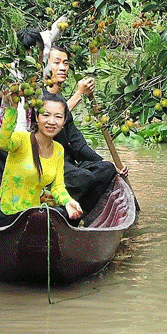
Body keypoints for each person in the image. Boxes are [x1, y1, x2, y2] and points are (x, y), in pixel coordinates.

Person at [42, 44, 128, 215]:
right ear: (44, 67)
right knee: (84, 178)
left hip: (66, 163)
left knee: (106, 169)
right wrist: (79, 94)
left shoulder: (60, 99)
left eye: (65, 63)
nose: (62, 68)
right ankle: (59, 208)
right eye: (57, 62)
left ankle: (82, 212)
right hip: (46, 162)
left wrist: (103, 161)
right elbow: (52, 119)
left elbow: (77, 143)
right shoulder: (38, 97)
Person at [0, 91, 83, 228]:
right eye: (46, 115)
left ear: (64, 121)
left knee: (63, 213)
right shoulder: (21, 139)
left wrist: (68, 201)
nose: (52, 122)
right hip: (7, 216)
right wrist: (11, 110)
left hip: (32, 217)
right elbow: (3, 143)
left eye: (58, 117)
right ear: (37, 118)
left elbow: (57, 187)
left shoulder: (58, 150)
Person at [0, 17, 66, 176]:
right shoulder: (16, 79)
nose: (31, 58)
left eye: (35, 53)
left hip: (27, 103)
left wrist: (75, 11)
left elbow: (54, 31)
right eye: (26, 54)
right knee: (8, 166)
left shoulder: (42, 50)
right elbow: (20, 125)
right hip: (4, 108)